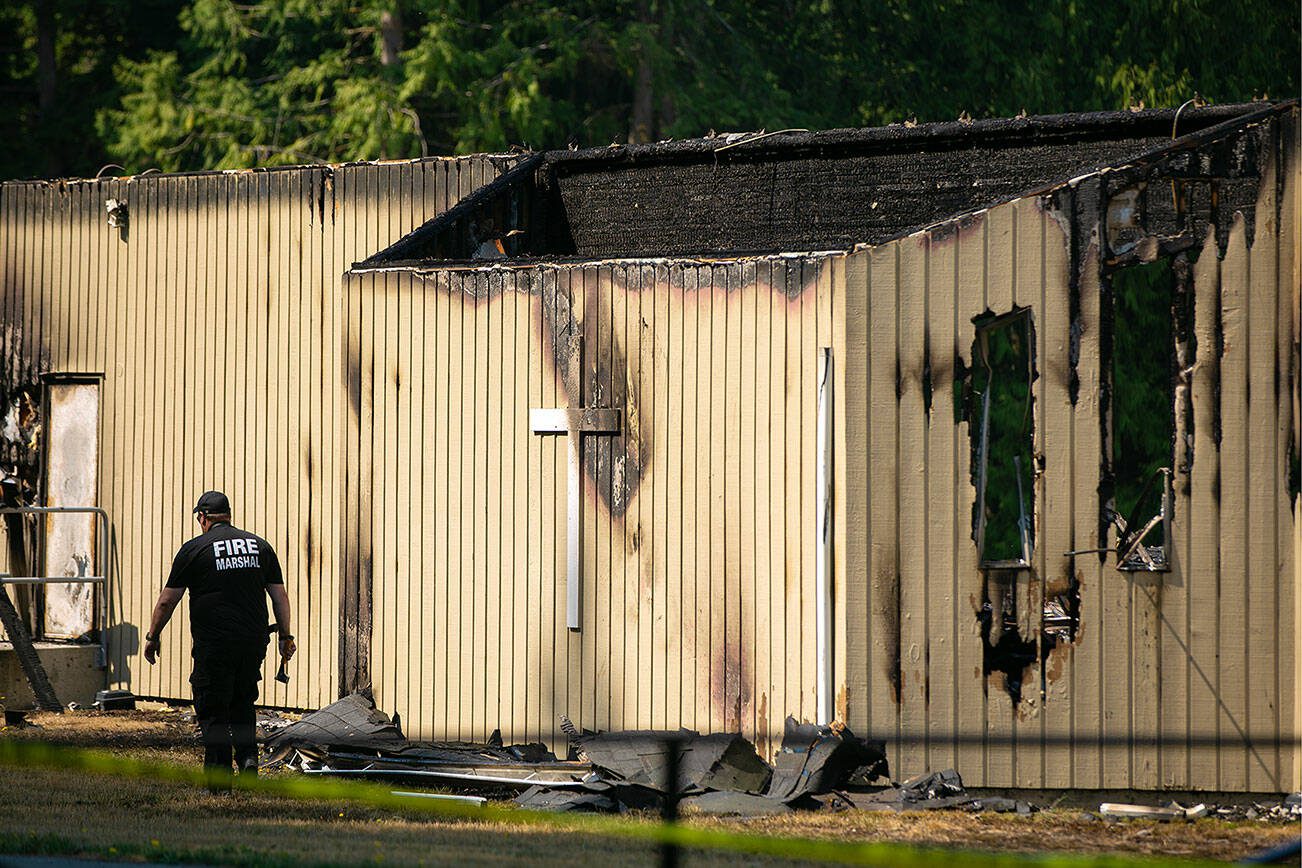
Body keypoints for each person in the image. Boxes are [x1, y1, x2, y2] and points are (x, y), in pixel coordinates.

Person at [143, 490, 296, 784]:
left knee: (211, 705)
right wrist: (285, 636)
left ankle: (220, 774)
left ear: (202, 517)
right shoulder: (260, 547)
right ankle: (249, 758)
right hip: (253, 641)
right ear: (228, 515)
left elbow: (166, 601)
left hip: (215, 643)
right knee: (242, 699)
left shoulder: (195, 549)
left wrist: (153, 636)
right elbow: (280, 597)